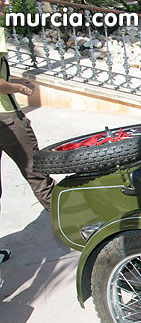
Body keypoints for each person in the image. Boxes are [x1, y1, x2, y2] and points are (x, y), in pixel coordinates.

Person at [0, 0, 54, 212]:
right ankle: (76, 228)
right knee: (38, 174)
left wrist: (14, 81)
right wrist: (18, 88)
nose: (7, 2)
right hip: (6, 118)